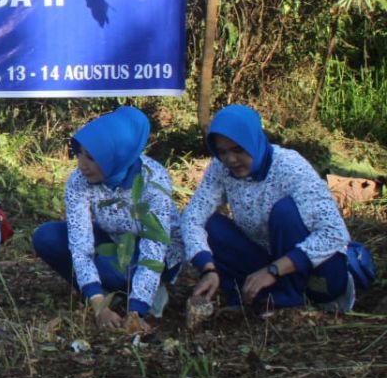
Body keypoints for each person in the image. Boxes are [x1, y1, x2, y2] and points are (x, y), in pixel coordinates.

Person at [182, 104, 359, 313]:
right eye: (222, 151)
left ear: (254, 141)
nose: (230, 159)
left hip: (314, 270)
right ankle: (264, 296)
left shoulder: (289, 166)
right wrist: (208, 268)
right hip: (263, 260)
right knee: (212, 225)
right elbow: (192, 217)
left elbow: (335, 234)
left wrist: (275, 269)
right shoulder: (221, 168)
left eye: (238, 149)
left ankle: (286, 302)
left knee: (285, 211)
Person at [32, 106, 183, 332]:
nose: (82, 164)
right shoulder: (79, 180)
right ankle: (102, 293)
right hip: (114, 241)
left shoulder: (152, 181)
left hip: (154, 254)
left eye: (92, 158)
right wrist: (98, 305)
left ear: (117, 155)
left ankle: (142, 293)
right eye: (79, 153)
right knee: (47, 237)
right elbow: (80, 241)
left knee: (106, 265)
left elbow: (154, 247)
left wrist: (136, 312)